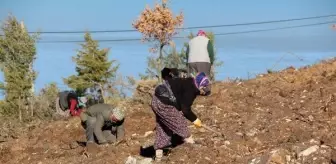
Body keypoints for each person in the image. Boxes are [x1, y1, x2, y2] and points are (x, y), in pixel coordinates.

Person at [151, 67, 211, 161]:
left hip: (156, 100)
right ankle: (190, 143)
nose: (203, 90)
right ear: (200, 84)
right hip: (163, 103)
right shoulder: (191, 89)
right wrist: (195, 120)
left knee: (164, 126)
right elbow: (185, 110)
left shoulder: (188, 82)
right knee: (180, 121)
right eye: (204, 87)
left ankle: (159, 153)